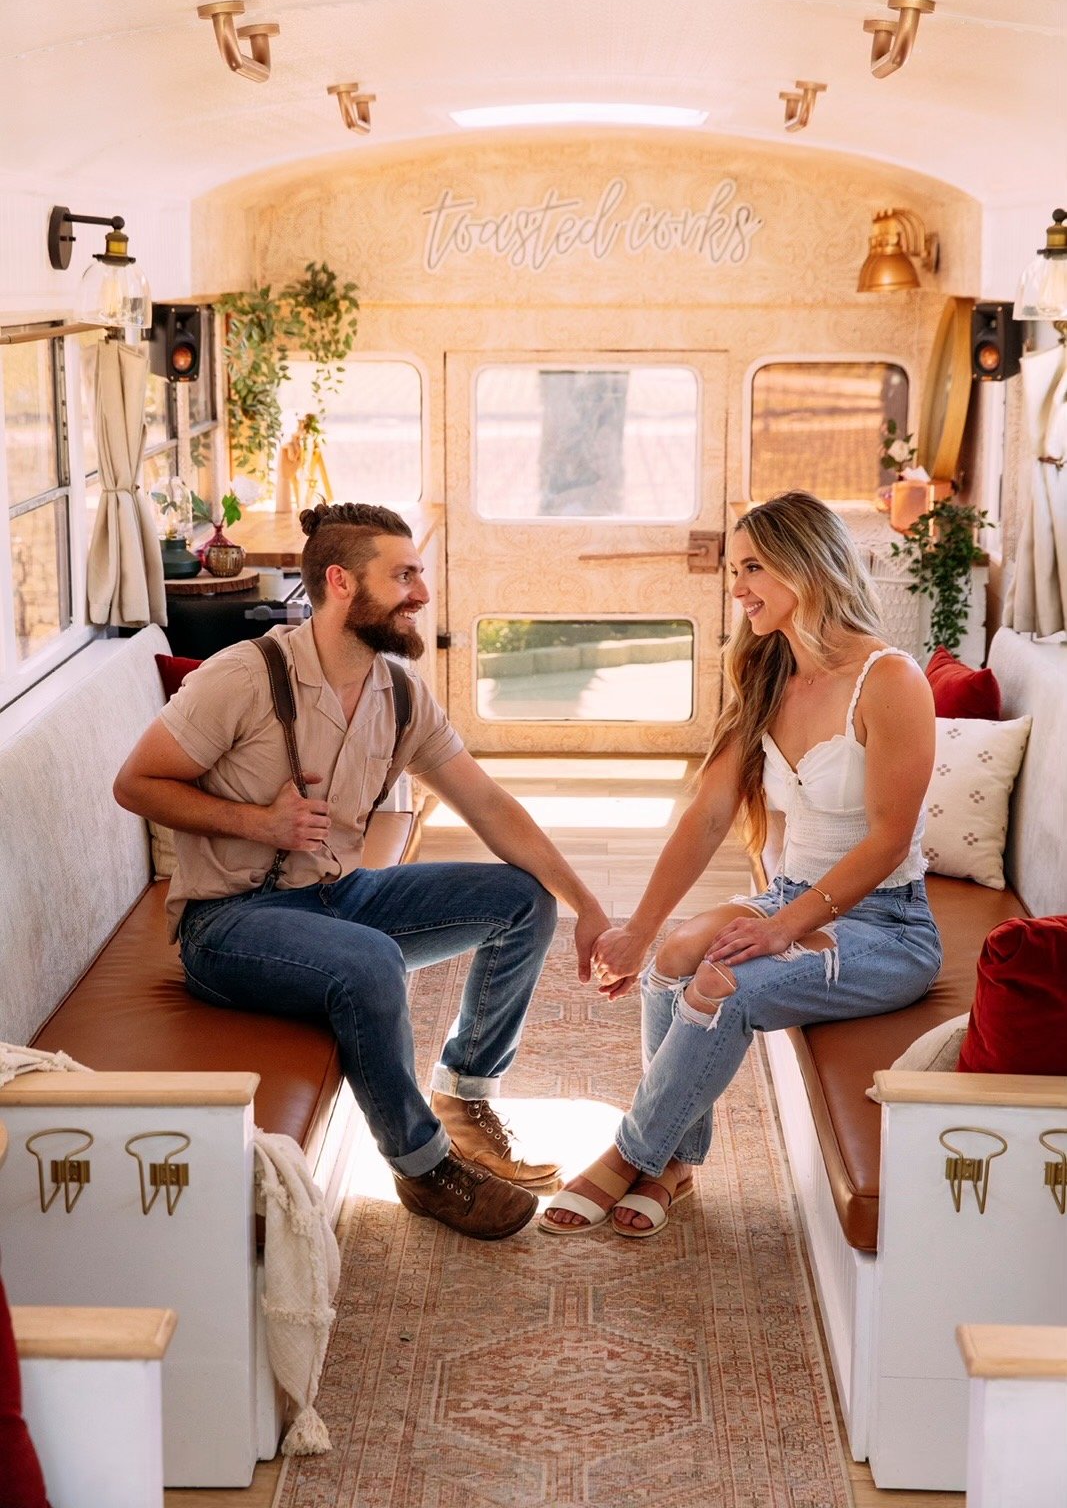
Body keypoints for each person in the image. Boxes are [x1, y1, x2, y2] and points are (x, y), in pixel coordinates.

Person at [114, 501, 610, 1242]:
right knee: (371, 961)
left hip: (339, 895)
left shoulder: (399, 691)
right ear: (342, 583)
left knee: (521, 900)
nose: (422, 593)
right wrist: (259, 824)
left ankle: (464, 1099)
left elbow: (487, 804)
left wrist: (588, 905)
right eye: (403, 575)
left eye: (419, 574)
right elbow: (136, 785)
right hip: (229, 924)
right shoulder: (243, 678)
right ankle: (421, 1167)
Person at [542, 490, 942, 1238]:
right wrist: (639, 929)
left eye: (751, 567)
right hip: (796, 894)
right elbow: (707, 816)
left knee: (722, 989)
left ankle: (628, 1153)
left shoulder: (889, 681)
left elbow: (887, 841)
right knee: (672, 959)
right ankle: (675, 1162)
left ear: (806, 564)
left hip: (887, 926)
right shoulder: (766, 675)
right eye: (734, 570)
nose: (735, 589)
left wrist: (779, 929)